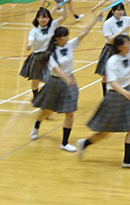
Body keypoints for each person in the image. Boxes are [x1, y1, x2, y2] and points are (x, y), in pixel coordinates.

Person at [76, 16, 130, 169]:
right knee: (105, 131)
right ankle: (84, 143)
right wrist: (125, 93)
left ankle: (127, 161)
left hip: (127, 94)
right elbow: (112, 82)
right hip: (115, 97)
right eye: (127, 43)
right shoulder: (112, 61)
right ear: (120, 47)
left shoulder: (128, 54)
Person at [31, 17, 100, 151]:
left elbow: (84, 32)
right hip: (55, 82)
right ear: (57, 38)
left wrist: (95, 19)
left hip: (69, 83)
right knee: (47, 110)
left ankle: (64, 143)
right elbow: (56, 69)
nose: (67, 39)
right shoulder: (50, 53)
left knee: (70, 112)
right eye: (64, 37)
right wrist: (65, 78)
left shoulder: (70, 45)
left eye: (67, 36)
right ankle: (36, 124)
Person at [20, 7, 64, 99]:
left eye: (46, 17)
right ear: (37, 18)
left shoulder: (53, 26)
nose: (44, 20)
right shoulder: (34, 31)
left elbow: (65, 16)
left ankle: (52, 96)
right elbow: (30, 41)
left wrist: (68, 4)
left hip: (50, 56)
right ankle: (36, 96)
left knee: (53, 76)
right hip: (38, 57)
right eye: (42, 17)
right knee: (36, 79)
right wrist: (29, 45)